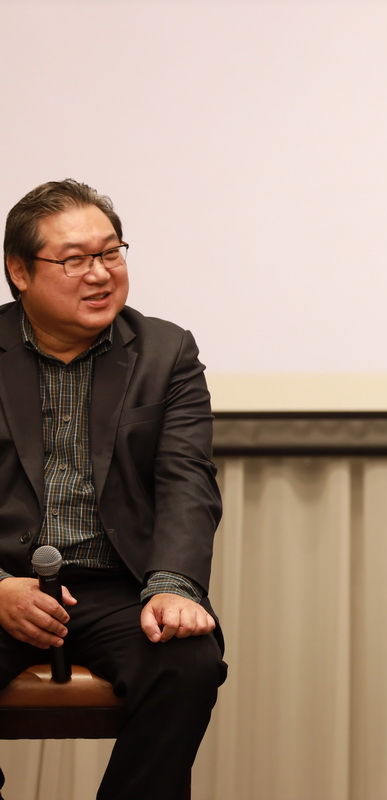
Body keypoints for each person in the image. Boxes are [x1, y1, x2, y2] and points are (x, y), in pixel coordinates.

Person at [0, 179, 226, 799]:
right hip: (6, 581)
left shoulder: (165, 350)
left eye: (110, 253)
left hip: (118, 586)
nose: (100, 274)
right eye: (75, 260)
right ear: (20, 271)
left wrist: (173, 586)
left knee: (188, 663)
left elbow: (186, 479)